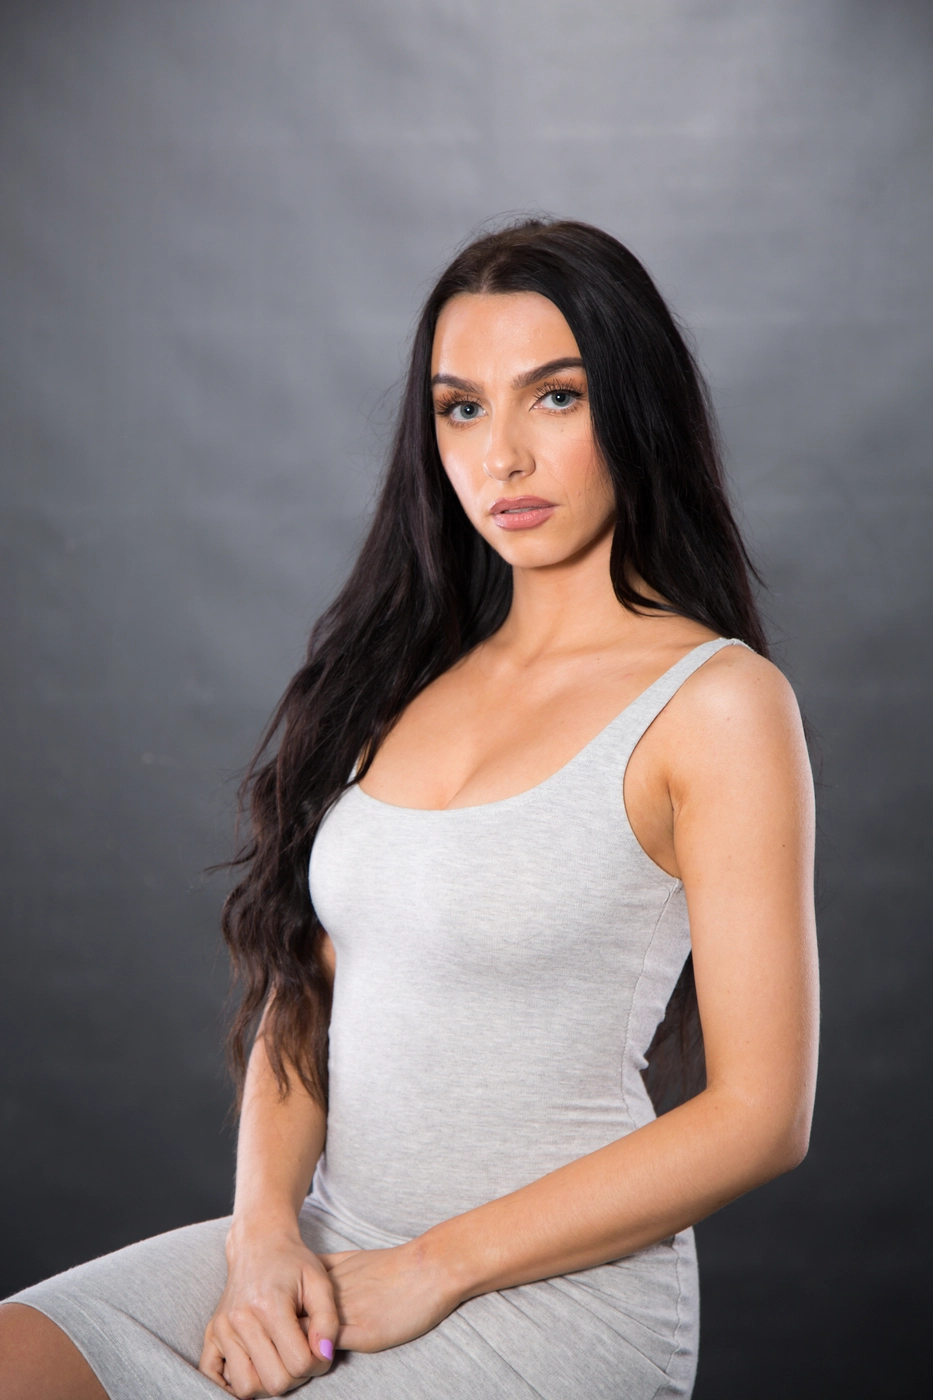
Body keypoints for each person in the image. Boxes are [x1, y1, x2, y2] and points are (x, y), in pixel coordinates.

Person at [0, 218, 818, 1399]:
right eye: (461, 408)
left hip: (549, 1298)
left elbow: (761, 1112)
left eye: (556, 397)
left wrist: (434, 1266)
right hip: (331, 1243)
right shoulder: (400, 679)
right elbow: (308, 986)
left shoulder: (717, 702)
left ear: (635, 407)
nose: (504, 457)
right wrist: (262, 1235)